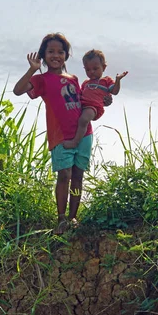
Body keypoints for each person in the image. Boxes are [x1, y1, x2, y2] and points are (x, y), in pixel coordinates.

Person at [13, 33, 110, 234]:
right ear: (43, 55)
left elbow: (88, 101)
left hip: (83, 134)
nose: (56, 55)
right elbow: (18, 90)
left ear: (66, 55)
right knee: (64, 174)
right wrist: (32, 69)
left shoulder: (73, 79)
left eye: (60, 52)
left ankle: (74, 218)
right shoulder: (41, 79)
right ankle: (61, 219)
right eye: (51, 52)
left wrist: (105, 100)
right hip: (60, 135)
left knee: (77, 175)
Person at [63, 49, 128, 149]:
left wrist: (118, 80)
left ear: (104, 67)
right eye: (88, 70)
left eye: (95, 68)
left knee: (83, 120)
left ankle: (75, 142)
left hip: (94, 107)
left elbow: (114, 91)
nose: (91, 72)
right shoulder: (86, 83)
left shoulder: (106, 81)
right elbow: (79, 95)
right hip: (82, 105)